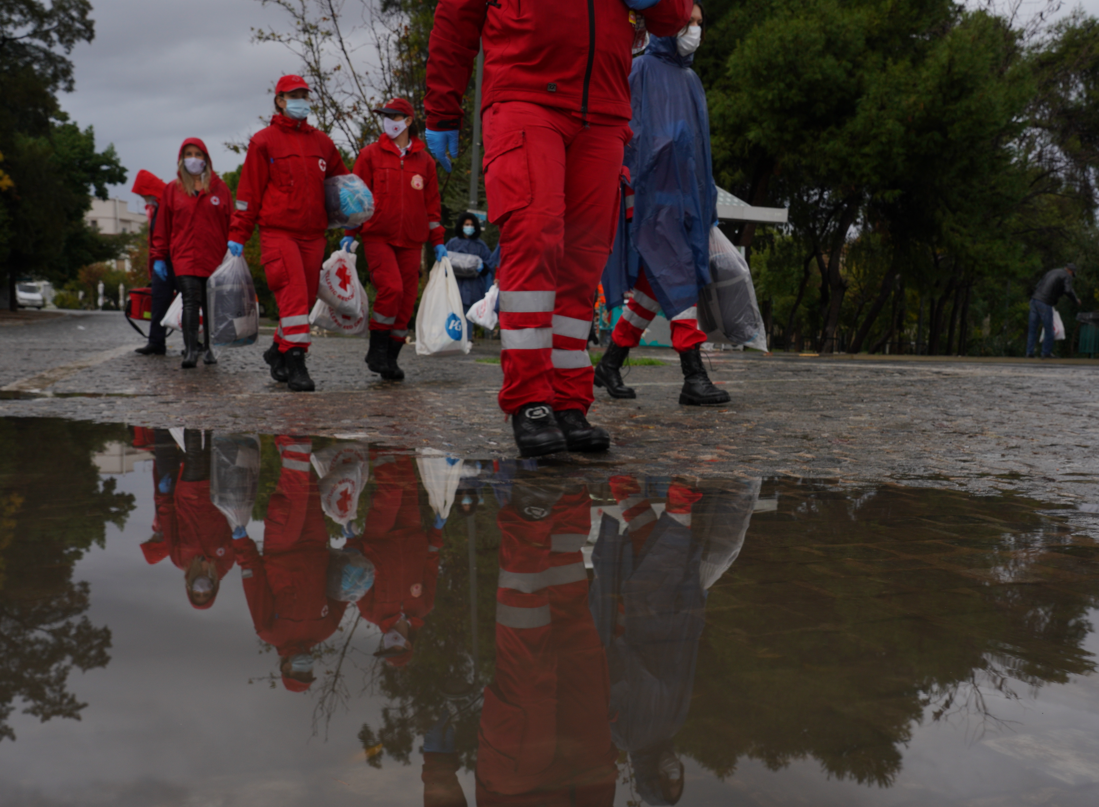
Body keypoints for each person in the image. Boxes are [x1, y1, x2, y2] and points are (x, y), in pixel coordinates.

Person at [424, 0, 694, 457]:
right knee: (535, 238)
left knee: (583, 262)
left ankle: (569, 401)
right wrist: (441, 110)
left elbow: (673, 18)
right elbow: (456, 14)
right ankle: (529, 399)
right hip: (525, 96)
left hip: (605, 112)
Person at [594, 4, 730, 407]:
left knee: (655, 289)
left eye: (699, 25)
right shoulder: (641, 72)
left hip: (686, 200)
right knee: (679, 275)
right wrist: (631, 194)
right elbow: (627, 136)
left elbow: (698, 151)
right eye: (690, 23)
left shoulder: (690, 79)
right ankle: (693, 373)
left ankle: (610, 363)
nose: (695, 32)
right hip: (654, 201)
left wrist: (707, 203)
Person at [229, 74, 350, 392]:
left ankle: (277, 351)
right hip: (279, 234)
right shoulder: (263, 142)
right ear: (280, 101)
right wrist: (238, 234)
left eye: (304, 95)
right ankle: (297, 361)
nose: (301, 101)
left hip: (313, 235)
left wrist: (355, 217)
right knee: (295, 295)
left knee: (305, 299)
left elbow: (342, 186)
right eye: (294, 96)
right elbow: (248, 193)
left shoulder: (323, 143)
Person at [232, 437, 351, 692]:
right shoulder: (325, 630)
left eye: (298, 672)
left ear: (284, 668)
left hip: (282, 546)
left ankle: (295, 434)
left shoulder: (270, 631)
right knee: (306, 487)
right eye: (308, 672)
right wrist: (354, 550)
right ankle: (291, 443)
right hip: (316, 545)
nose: (305, 667)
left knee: (293, 492)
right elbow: (345, 586)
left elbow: (254, 582)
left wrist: (242, 546)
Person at [342, 98, 445, 382]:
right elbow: (354, 198)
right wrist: (350, 235)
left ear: (409, 121)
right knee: (392, 289)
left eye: (394, 116)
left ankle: (391, 358)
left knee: (407, 298)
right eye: (385, 116)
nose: (388, 121)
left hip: (412, 240)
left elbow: (432, 206)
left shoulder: (425, 162)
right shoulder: (370, 155)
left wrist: (437, 242)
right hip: (378, 235)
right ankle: (376, 351)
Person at [150, 139, 232, 369]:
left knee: (210, 304)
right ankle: (191, 350)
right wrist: (159, 256)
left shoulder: (220, 189)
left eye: (197, 154)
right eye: (188, 154)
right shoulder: (172, 189)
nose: (193, 158)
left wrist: (234, 247)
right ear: (181, 158)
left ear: (206, 159)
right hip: (184, 255)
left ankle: (208, 348)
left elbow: (230, 221)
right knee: (190, 300)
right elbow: (163, 226)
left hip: (213, 256)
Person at [139, 429, 235, 609]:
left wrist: (164, 498)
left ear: (189, 589)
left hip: (188, 496)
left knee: (193, 455)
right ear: (214, 590)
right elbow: (234, 525)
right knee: (210, 449)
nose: (201, 589)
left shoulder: (180, 561)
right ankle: (210, 411)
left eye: (197, 593)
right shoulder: (226, 562)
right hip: (217, 493)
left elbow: (169, 525)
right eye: (205, 593)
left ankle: (192, 413)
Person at [131, 170, 169, 356]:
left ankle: (195, 342)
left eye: (142, 194)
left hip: (176, 260)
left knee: (189, 303)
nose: (143, 198)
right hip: (162, 261)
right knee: (159, 302)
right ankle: (156, 342)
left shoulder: (168, 205)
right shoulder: (156, 208)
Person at [445, 211, 496, 321]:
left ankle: (467, 338)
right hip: (455, 286)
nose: (469, 227)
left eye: (472, 225)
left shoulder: (480, 246)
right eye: (466, 224)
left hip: (473, 288)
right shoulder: (452, 244)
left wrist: (483, 268)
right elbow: (443, 264)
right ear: (461, 226)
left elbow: (490, 265)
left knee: (468, 317)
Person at [1027, 263, 1082, 358]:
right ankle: (1046, 353)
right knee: (1049, 329)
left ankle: (1029, 353)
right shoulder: (1067, 276)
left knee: (1033, 329)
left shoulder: (1051, 272)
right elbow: (1068, 290)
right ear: (1071, 271)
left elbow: (1038, 285)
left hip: (1034, 300)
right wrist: (1075, 301)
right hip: (1045, 302)